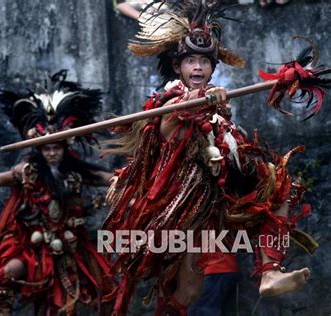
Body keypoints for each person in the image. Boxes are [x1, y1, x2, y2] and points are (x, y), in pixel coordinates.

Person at [104, 1, 312, 315]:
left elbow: (224, 138)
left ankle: (269, 271)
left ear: (213, 66)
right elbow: (180, 111)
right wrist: (201, 99)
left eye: (204, 61)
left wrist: (219, 108)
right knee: (186, 290)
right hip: (179, 204)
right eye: (190, 61)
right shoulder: (169, 98)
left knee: (279, 183)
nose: (198, 67)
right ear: (178, 66)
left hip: (216, 197)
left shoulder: (216, 102)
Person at [0, 70, 116, 315]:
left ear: (64, 148)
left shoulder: (76, 172)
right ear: (39, 149)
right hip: (32, 245)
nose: (51, 153)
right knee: (5, 275)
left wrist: (127, 178)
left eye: (56, 148)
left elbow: (104, 177)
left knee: (95, 293)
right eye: (46, 148)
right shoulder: (27, 171)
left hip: (71, 246)